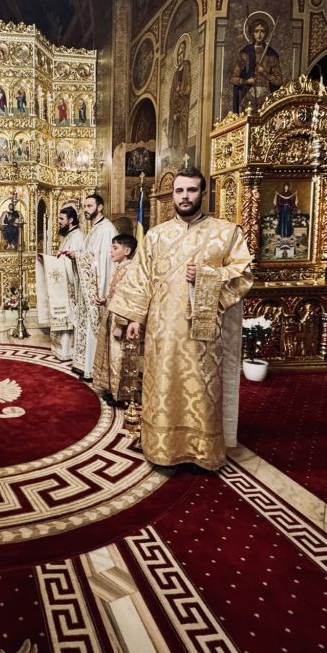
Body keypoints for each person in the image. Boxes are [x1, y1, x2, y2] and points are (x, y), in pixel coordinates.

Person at [109, 168, 253, 471]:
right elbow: (141, 279)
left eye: (191, 190)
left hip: (202, 333)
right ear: (172, 195)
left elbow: (243, 275)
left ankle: (201, 452)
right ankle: (162, 448)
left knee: (201, 390)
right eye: (179, 191)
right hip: (162, 332)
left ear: (203, 193)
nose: (185, 196)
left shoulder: (226, 232)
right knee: (162, 388)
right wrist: (134, 318)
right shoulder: (156, 235)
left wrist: (207, 275)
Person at [68, 193, 118, 381]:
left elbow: (103, 260)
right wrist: (77, 255)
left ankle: (93, 368)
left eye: (89, 206)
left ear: (100, 207)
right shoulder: (93, 229)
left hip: (98, 285)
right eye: (84, 207)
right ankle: (83, 364)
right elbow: (89, 254)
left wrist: (78, 256)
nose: (86, 210)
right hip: (87, 284)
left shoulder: (107, 229)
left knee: (93, 325)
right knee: (85, 324)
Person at [92, 233, 138, 408]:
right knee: (110, 355)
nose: (111, 251)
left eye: (115, 248)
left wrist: (120, 324)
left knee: (119, 356)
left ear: (127, 251)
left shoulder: (129, 270)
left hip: (121, 321)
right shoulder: (120, 268)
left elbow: (127, 300)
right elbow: (115, 295)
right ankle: (111, 388)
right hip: (111, 316)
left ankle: (121, 394)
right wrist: (105, 300)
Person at [35, 206, 84, 361]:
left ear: (71, 220)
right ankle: (62, 349)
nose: (59, 222)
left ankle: (69, 350)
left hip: (71, 284)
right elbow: (63, 259)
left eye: (61, 219)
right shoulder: (69, 235)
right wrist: (48, 259)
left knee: (69, 316)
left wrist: (58, 259)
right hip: (63, 284)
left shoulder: (77, 236)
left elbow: (76, 261)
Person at [229, 17, 283, 114]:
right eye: (256, 31)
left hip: (267, 98)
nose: (259, 34)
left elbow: (279, 81)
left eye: (262, 31)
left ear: (266, 33)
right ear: (252, 33)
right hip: (249, 97)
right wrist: (246, 81)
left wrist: (264, 73)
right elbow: (232, 79)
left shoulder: (271, 55)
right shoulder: (246, 53)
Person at [167, 37, 191, 161]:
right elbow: (172, 94)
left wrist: (180, 92)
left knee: (182, 131)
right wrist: (174, 110)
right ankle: (175, 158)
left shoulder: (187, 67)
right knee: (175, 132)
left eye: (182, 52)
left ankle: (183, 156)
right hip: (176, 108)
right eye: (178, 53)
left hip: (183, 106)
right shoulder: (175, 74)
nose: (180, 56)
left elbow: (188, 87)